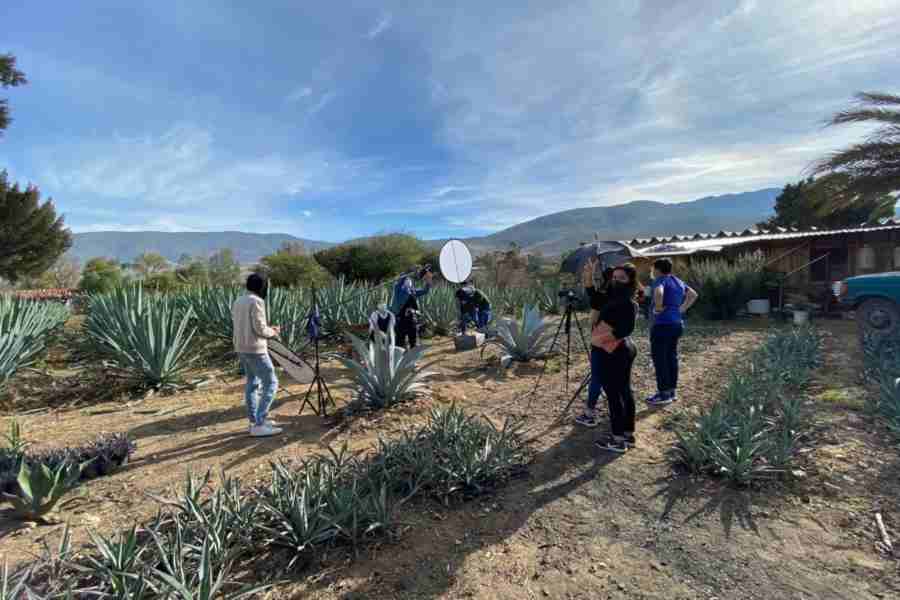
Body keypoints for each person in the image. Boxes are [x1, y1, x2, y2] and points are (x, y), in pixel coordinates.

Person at [589, 262, 640, 453]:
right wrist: (589, 279)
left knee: (614, 393)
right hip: (621, 349)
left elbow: (626, 328)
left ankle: (618, 439)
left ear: (630, 281)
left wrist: (601, 339)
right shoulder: (614, 296)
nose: (617, 281)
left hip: (616, 350)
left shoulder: (626, 302)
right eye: (615, 277)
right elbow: (594, 299)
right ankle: (628, 433)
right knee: (625, 391)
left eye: (622, 278)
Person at [231, 273, 282, 437]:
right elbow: (260, 329)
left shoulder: (239, 300)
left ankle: (255, 421)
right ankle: (259, 423)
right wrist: (273, 332)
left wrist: (268, 329)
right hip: (255, 349)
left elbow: (246, 325)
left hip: (241, 347)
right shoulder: (257, 301)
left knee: (252, 383)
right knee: (271, 383)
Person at [646, 258, 699, 407]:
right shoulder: (678, 281)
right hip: (676, 324)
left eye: (652, 269)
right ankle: (672, 391)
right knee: (671, 357)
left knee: (660, 359)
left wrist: (657, 307)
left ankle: (663, 394)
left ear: (657, 269)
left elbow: (658, 292)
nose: (652, 272)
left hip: (662, 325)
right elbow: (693, 294)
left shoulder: (660, 280)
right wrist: (683, 308)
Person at [390, 265, 434, 349]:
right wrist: (409, 272)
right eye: (407, 281)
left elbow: (425, 291)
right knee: (400, 341)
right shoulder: (398, 289)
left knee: (413, 340)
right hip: (400, 318)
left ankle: (413, 359)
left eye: (409, 282)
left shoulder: (412, 291)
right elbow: (402, 277)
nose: (409, 283)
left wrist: (428, 280)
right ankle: (399, 358)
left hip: (412, 318)